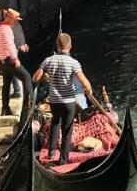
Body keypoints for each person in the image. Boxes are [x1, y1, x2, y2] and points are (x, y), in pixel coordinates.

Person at [32, 33, 97, 166]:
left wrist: (44, 72)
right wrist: (88, 90)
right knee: (67, 130)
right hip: (68, 102)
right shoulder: (74, 63)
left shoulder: (48, 60)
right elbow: (85, 82)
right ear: (70, 46)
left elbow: (35, 78)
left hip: (55, 102)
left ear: (57, 46)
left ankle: (50, 153)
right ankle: (63, 160)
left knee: (55, 124)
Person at [0, 8, 33, 120]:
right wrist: (16, 59)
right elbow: (10, 45)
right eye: (15, 19)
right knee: (27, 77)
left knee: (6, 85)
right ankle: (29, 104)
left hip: (4, 62)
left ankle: (5, 109)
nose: (15, 21)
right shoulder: (7, 30)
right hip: (11, 61)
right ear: (10, 18)